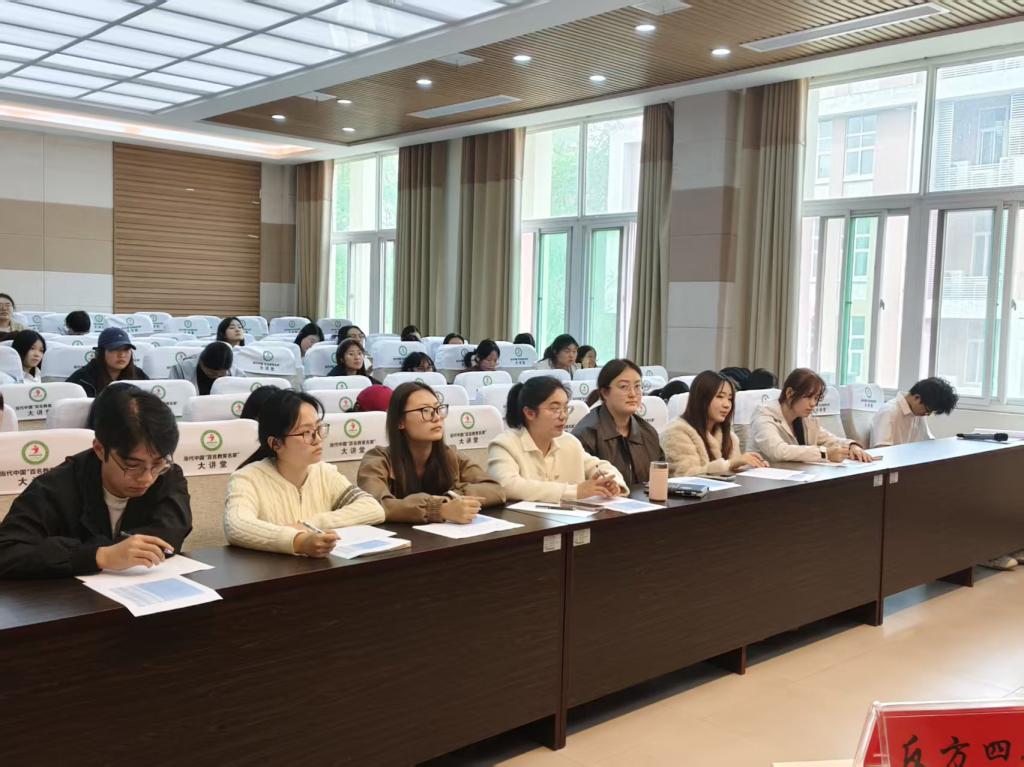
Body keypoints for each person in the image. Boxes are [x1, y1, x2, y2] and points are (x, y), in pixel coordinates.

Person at [0, 386, 191, 578]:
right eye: (132, 465)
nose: (147, 478)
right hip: (70, 595)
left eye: (158, 464)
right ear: (99, 449)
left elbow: (171, 533)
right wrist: (99, 555)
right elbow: (8, 550)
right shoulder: (55, 487)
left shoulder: (168, 475)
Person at [224, 390, 384, 557]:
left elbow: (372, 508)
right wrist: (299, 541)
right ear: (276, 443)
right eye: (306, 432)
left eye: (318, 428)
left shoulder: (324, 472)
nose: (318, 439)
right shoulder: (246, 478)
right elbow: (237, 525)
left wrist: (309, 525)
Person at [358, 382, 505, 523]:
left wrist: (451, 498)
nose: (437, 417)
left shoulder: (450, 456)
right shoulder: (377, 460)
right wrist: (438, 509)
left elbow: (495, 490)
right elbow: (376, 505)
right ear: (400, 422)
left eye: (438, 408)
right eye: (425, 410)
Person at [487, 376, 627, 502]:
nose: (563, 416)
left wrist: (611, 483)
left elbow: (601, 466)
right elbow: (507, 485)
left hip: (571, 520)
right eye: (555, 408)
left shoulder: (569, 442)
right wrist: (576, 491)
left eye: (565, 408)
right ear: (530, 413)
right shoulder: (505, 444)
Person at [750, 368, 872, 464]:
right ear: (789, 393)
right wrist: (825, 454)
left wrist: (851, 446)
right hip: (764, 480)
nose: (813, 404)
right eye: (808, 397)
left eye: (816, 398)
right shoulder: (764, 414)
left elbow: (829, 440)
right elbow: (779, 451)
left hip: (796, 476)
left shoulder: (806, 418)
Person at [571, 359, 664, 484]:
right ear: (605, 393)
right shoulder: (586, 435)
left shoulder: (648, 433)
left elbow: (660, 479)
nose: (633, 394)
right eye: (624, 387)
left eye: (637, 386)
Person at [661, 370, 768, 477]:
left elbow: (733, 472)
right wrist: (730, 464)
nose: (727, 405)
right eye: (720, 397)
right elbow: (685, 475)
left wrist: (750, 466)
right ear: (701, 398)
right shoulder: (676, 432)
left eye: (730, 399)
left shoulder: (729, 436)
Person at [870, 377, 958, 449]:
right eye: (927, 410)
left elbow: (928, 442)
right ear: (917, 398)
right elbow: (882, 450)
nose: (927, 414)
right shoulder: (889, 412)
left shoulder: (917, 413)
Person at [66, 327, 149, 397]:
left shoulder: (139, 376)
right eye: (115, 349)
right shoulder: (82, 380)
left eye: (126, 349)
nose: (122, 355)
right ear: (101, 352)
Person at [171, 342, 236, 396]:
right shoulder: (181, 370)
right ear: (201, 363)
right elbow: (173, 395)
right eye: (212, 373)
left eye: (221, 375)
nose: (216, 377)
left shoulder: (234, 372)